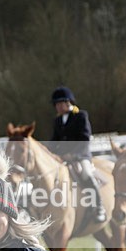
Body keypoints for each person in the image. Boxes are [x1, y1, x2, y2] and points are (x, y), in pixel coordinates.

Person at [47, 86, 106, 223]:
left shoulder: (81, 116)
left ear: (68, 102)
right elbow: (54, 141)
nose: (57, 107)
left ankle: (99, 207)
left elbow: (85, 138)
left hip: (80, 156)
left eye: (59, 103)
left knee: (86, 174)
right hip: (62, 158)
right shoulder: (57, 121)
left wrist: (73, 155)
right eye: (56, 104)